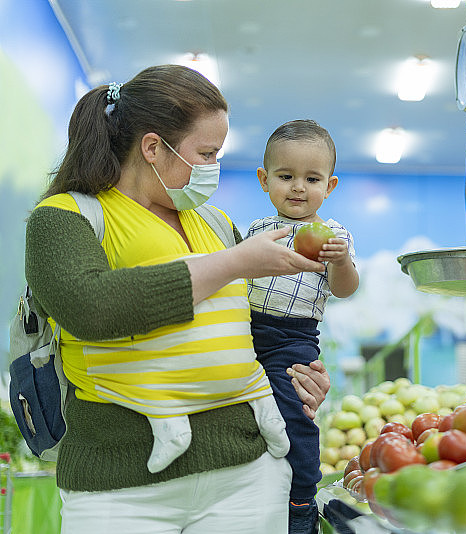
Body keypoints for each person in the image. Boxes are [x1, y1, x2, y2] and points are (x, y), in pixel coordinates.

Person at [24, 64, 331, 534]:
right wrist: (234, 263)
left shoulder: (216, 223)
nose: (213, 167)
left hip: (247, 473)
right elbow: (90, 308)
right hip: (120, 486)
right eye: (206, 153)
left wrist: (298, 372)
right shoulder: (64, 217)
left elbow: (242, 329)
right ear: (153, 148)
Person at [247, 119, 359, 533]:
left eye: (311, 179)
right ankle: (258, 489)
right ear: (264, 180)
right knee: (248, 409)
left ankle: (301, 498)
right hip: (248, 330)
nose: (297, 187)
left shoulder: (333, 236)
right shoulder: (257, 230)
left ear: (329, 186)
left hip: (294, 339)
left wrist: (341, 261)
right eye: (285, 176)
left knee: (295, 409)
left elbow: (345, 289)